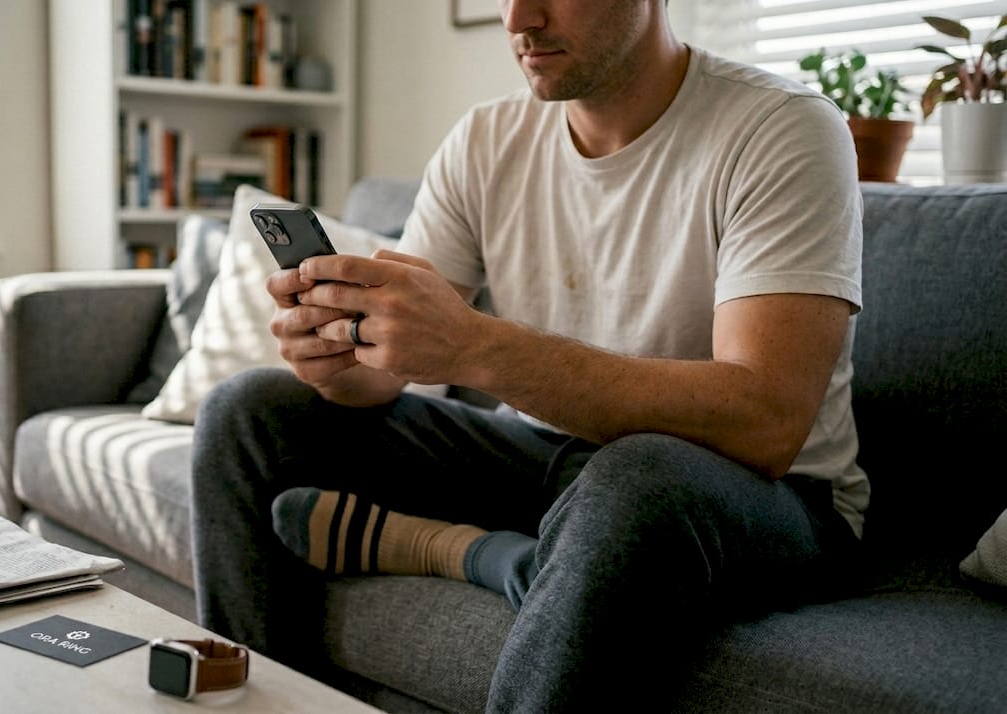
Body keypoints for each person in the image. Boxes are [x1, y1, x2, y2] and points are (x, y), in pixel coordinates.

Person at [190, 0, 869, 710]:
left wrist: (479, 346)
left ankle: (470, 550)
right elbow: (383, 377)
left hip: (769, 496)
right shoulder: (488, 138)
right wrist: (337, 357)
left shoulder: (781, 127)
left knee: (632, 481)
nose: (518, 17)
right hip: (545, 458)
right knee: (248, 413)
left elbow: (765, 422)